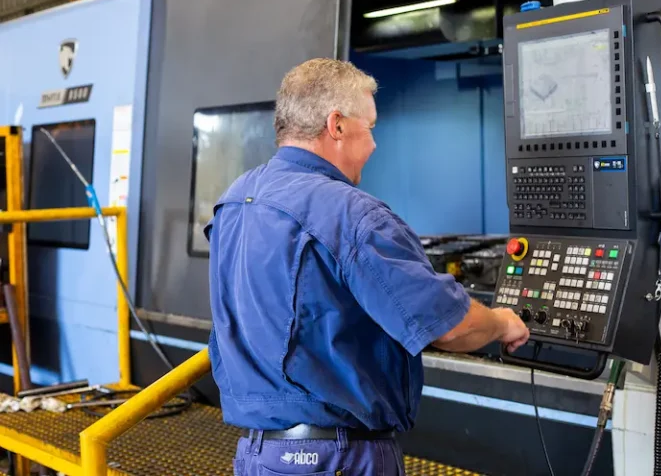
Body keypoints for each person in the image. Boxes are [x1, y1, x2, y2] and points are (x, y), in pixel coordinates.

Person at [204, 58, 529, 476]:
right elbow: (449, 327)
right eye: (370, 127)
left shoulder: (235, 200)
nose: (374, 145)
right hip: (337, 459)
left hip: (258, 456)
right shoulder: (352, 215)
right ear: (336, 125)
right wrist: (502, 323)